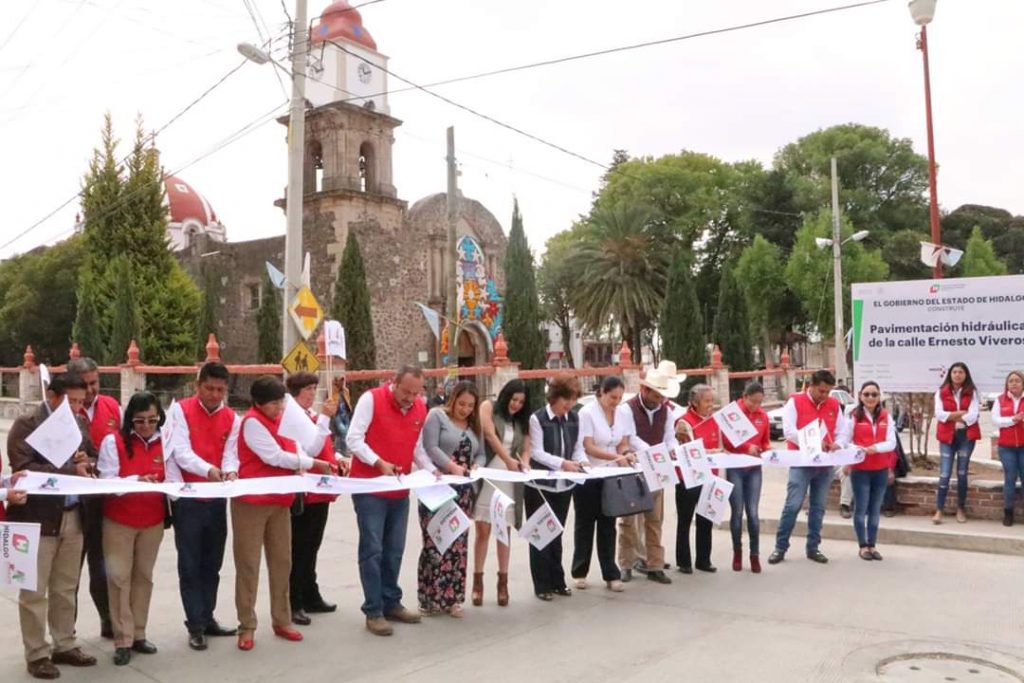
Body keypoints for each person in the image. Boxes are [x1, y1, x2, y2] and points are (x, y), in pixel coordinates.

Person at [7, 373, 99, 679]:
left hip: (73, 513)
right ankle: (36, 653)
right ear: (52, 396)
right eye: (69, 401)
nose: (75, 408)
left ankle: (65, 643)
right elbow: (23, 470)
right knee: (34, 590)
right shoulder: (27, 424)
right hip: (37, 517)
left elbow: (92, 458)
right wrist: (72, 468)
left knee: (65, 587)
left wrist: (89, 460)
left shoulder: (80, 423)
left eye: (79, 402)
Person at [232, 376, 334, 651]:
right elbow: (274, 457)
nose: (279, 408)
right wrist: (314, 464)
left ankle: (282, 618)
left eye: (281, 402)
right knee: (249, 565)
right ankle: (247, 625)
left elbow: (306, 447)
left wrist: (323, 423)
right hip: (251, 503)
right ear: (258, 403)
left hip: (281, 501)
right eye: (273, 404)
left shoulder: (286, 420)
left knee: (282, 562)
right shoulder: (252, 422)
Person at [346, 365, 439, 636]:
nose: (410, 398)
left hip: (400, 489)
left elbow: (417, 448)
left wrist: (433, 471)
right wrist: (378, 462)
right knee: (372, 549)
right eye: (406, 391)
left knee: (395, 549)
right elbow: (353, 439)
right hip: (370, 487)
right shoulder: (371, 399)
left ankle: (391, 601)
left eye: (416, 393)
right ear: (393, 383)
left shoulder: (420, 408)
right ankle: (373, 610)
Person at [164, 361, 241, 650]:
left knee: (213, 562)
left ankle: (208, 616)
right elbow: (181, 453)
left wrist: (231, 471)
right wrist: (211, 470)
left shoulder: (233, 418)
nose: (214, 395)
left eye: (220, 390)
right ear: (198, 386)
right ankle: (194, 624)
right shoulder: (180, 410)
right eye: (209, 388)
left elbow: (231, 454)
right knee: (190, 563)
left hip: (216, 499)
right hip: (188, 498)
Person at [97, 392, 167, 666]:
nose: (147, 426)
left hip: (152, 520)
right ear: (130, 420)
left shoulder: (166, 441)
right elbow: (107, 481)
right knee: (118, 579)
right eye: (140, 421)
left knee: (143, 577)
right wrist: (137, 480)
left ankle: (139, 633)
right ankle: (122, 639)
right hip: (119, 521)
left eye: (153, 420)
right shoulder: (113, 442)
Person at [419, 381, 486, 617]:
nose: (465, 409)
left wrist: (477, 465)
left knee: (458, 545)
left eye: (470, 406)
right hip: (437, 487)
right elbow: (430, 446)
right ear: (453, 399)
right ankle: (430, 599)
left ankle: (453, 599)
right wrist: (451, 467)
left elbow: (481, 453)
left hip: (464, 493)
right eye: (462, 403)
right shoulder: (437, 416)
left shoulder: (473, 425)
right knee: (435, 542)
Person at [285, 372, 347, 626]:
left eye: (313, 388)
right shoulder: (292, 416)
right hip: (305, 491)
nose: (312, 393)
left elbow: (323, 444)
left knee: (312, 546)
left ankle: (310, 593)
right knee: (300, 548)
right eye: (308, 389)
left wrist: (339, 458)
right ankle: (295, 600)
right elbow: (309, 447)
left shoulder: (309, 415)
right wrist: (325, 417)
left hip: (320, 489)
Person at [769, 370, 846, 565]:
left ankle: (813, 547)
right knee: (793, 505)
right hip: (801, 462)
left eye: (828, 391)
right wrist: (813, 441)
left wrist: (839, 443)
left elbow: (841, 431)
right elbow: (789, 432)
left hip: (824, 464)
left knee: (818, 507)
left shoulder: (834, 404)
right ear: (811, 385)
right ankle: (780, 547)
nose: (825, 395)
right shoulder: (795, 401)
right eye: (821, 391)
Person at [67, 356, 120, 640]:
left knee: (103, 568)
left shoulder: (112, 407)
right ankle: (67, 631)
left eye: (94, 383)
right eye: (84, 385)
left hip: (104, 503)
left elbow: (122, 449)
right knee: (68, 573)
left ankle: (109, 620)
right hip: (72, 506)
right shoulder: (63, 414)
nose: (90, 391)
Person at [617, 361, 681, 585]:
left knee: (654, 520)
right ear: (644, 390)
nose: (659, 401)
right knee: (628, 520)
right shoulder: (627, 409)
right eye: (656, 396)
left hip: (657, 469)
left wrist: (670, 450)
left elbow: (669, 436)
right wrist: (655, 451)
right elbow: (630, 437)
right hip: (634, 470)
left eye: (662, 396)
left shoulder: (667, 411)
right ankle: (626, 564)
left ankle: (654, 564)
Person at [526, 376, 586, 601]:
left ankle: (557, 580)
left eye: (572, 401)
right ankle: (541, 584)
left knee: (557, 533)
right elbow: (537, 452)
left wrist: (581, 461)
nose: (568, 406)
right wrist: (563, 463)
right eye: (565, 401)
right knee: (541, 533)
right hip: (540, 486)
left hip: (564, 485)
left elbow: (578, 448)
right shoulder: (538, 418)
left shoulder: (574, 418)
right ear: (555, 397)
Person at [572, 376, 634, 592]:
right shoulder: (587, 413)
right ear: (602, 393)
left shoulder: (622, 413)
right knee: (585, 524)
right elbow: (588, 446)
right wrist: (615, 458)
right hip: (590, 472)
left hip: (612, 475)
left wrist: (626, 453)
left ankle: (610, 572)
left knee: (608, 523)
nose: (615, 402)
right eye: (612, 397)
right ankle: (580, 571)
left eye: (619, 397)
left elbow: (623, 442)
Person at [472, 379, 530, 607]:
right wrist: (507, 460)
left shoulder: (521, 421)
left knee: (503, 531)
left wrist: (524, 463)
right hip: (489, 473)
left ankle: (502, 583)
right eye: (514, 399)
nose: (516, 404)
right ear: (506, 395)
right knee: (483, 530)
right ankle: (477, 582)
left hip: (510, 478)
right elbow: (489, 435)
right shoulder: (488, 407)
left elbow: (526, 448)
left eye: (521, 402)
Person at [837, 381, 897, 561]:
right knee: (861, 508)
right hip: (860, 469)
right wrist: (858, 450)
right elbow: (845, 441)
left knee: (875, 509)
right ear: (860, 396)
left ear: (879, 397)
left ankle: (872, 544)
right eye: (867, 394)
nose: (870, 398)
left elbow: (891, 443)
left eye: (874, 394)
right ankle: (862, 546)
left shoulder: (886, 416)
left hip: (880, 469)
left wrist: (875, 448)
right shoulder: (853, 416)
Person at [722, 381, 770, 574]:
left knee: (753, 512)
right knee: (737, 511)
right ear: (744, 397)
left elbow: (765, 441)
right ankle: (737, 552)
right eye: (753, 402)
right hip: (735, 467)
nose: (756, 406)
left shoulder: (763, 416)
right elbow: (726, 440)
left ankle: (755, 554)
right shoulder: (732, 413)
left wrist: (766, 450)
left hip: (754, 468)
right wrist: (745, 448)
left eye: (760, 402)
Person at [674, 384, 721, 574]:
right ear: (695, 402)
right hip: (688, 477)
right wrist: (714, 452)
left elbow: (720, 444)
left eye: (712, 401)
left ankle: (704, 559)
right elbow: (691, 449)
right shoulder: (684, 422)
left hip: (710, 475)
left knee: (705, 519)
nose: (711, 405)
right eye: (707, 401)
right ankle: (684, 561)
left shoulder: (715, 421)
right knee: (685, 520)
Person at [932, 362, 980, 524]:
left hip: (966, 437)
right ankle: (939, 509)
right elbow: (939, 414)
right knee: (944, 474)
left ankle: (961, 508)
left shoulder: (972, 392)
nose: (957, 374)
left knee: (961, 473)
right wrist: (960, 414)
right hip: (947, 437)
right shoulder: (941, 392)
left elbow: (973, 416)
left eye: (961, 372)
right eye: (955, 372)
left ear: (966, 374)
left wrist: (951, 415)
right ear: (950, 374)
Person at [993, 370, 1024, 526]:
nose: (1013, 383)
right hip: (1007, 447)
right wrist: (1013, 419)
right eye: (1010, 381)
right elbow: (996, 420)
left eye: (1017, 380)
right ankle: (1008, 512)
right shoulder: (1000, 400)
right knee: (1010, 479)